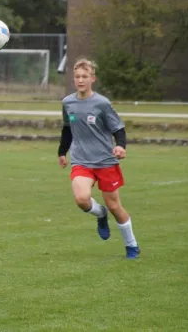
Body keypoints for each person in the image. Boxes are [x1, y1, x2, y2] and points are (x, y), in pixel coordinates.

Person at [58, 58, 140, 259]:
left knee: (115, 206)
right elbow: (67, 129)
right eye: (77, 76)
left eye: (85, 76)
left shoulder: (102, 104)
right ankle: (100, 214)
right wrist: (62, 152)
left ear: (92, 79)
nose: (80, 80)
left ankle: (131, 245)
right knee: (81, 199)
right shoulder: (67, 103)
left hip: (105, 161)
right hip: (81, 160)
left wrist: (120, 145)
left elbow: (118, 128)